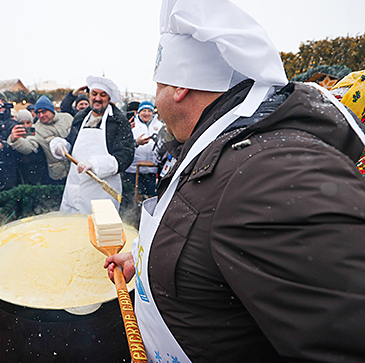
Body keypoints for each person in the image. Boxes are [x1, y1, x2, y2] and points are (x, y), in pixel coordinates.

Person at [105, 1, 365, 362]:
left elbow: (343, 341)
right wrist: (143, 258)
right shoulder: (215, 149)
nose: (155, 103)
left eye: (158, 87)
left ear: (179, 86)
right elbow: (202, 229)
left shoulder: (269, 171)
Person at [50, 75, 134, 214]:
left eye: (103, 95)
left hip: (101, 191)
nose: (97, 98)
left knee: (98, 230)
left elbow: (125, 155)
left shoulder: (119, 121)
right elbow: (71, 141)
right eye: (94, 94)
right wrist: (61, 145)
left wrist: (95, 165)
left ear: (109, 98)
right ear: (89, 96)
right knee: (71, 228)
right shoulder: (81, 117)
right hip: (75, 185)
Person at [122, 101, 163, 211]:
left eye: (149, 111)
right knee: (133, 198)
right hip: (133, 169)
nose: (146, 113)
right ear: (139, 112)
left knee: (151, 198)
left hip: (151, 169)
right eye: (144, 111)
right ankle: (132, 218)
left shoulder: (159, 126)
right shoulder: (131, 125)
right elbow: (124, 144)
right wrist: (136, 142)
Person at [7, 109, 53, 185]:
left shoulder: (38, 132)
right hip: (24, 172)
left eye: (28, 123)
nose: (25, 126)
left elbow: (30, 147)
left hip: (39, 172)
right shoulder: (14, 135)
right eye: (22, 123)